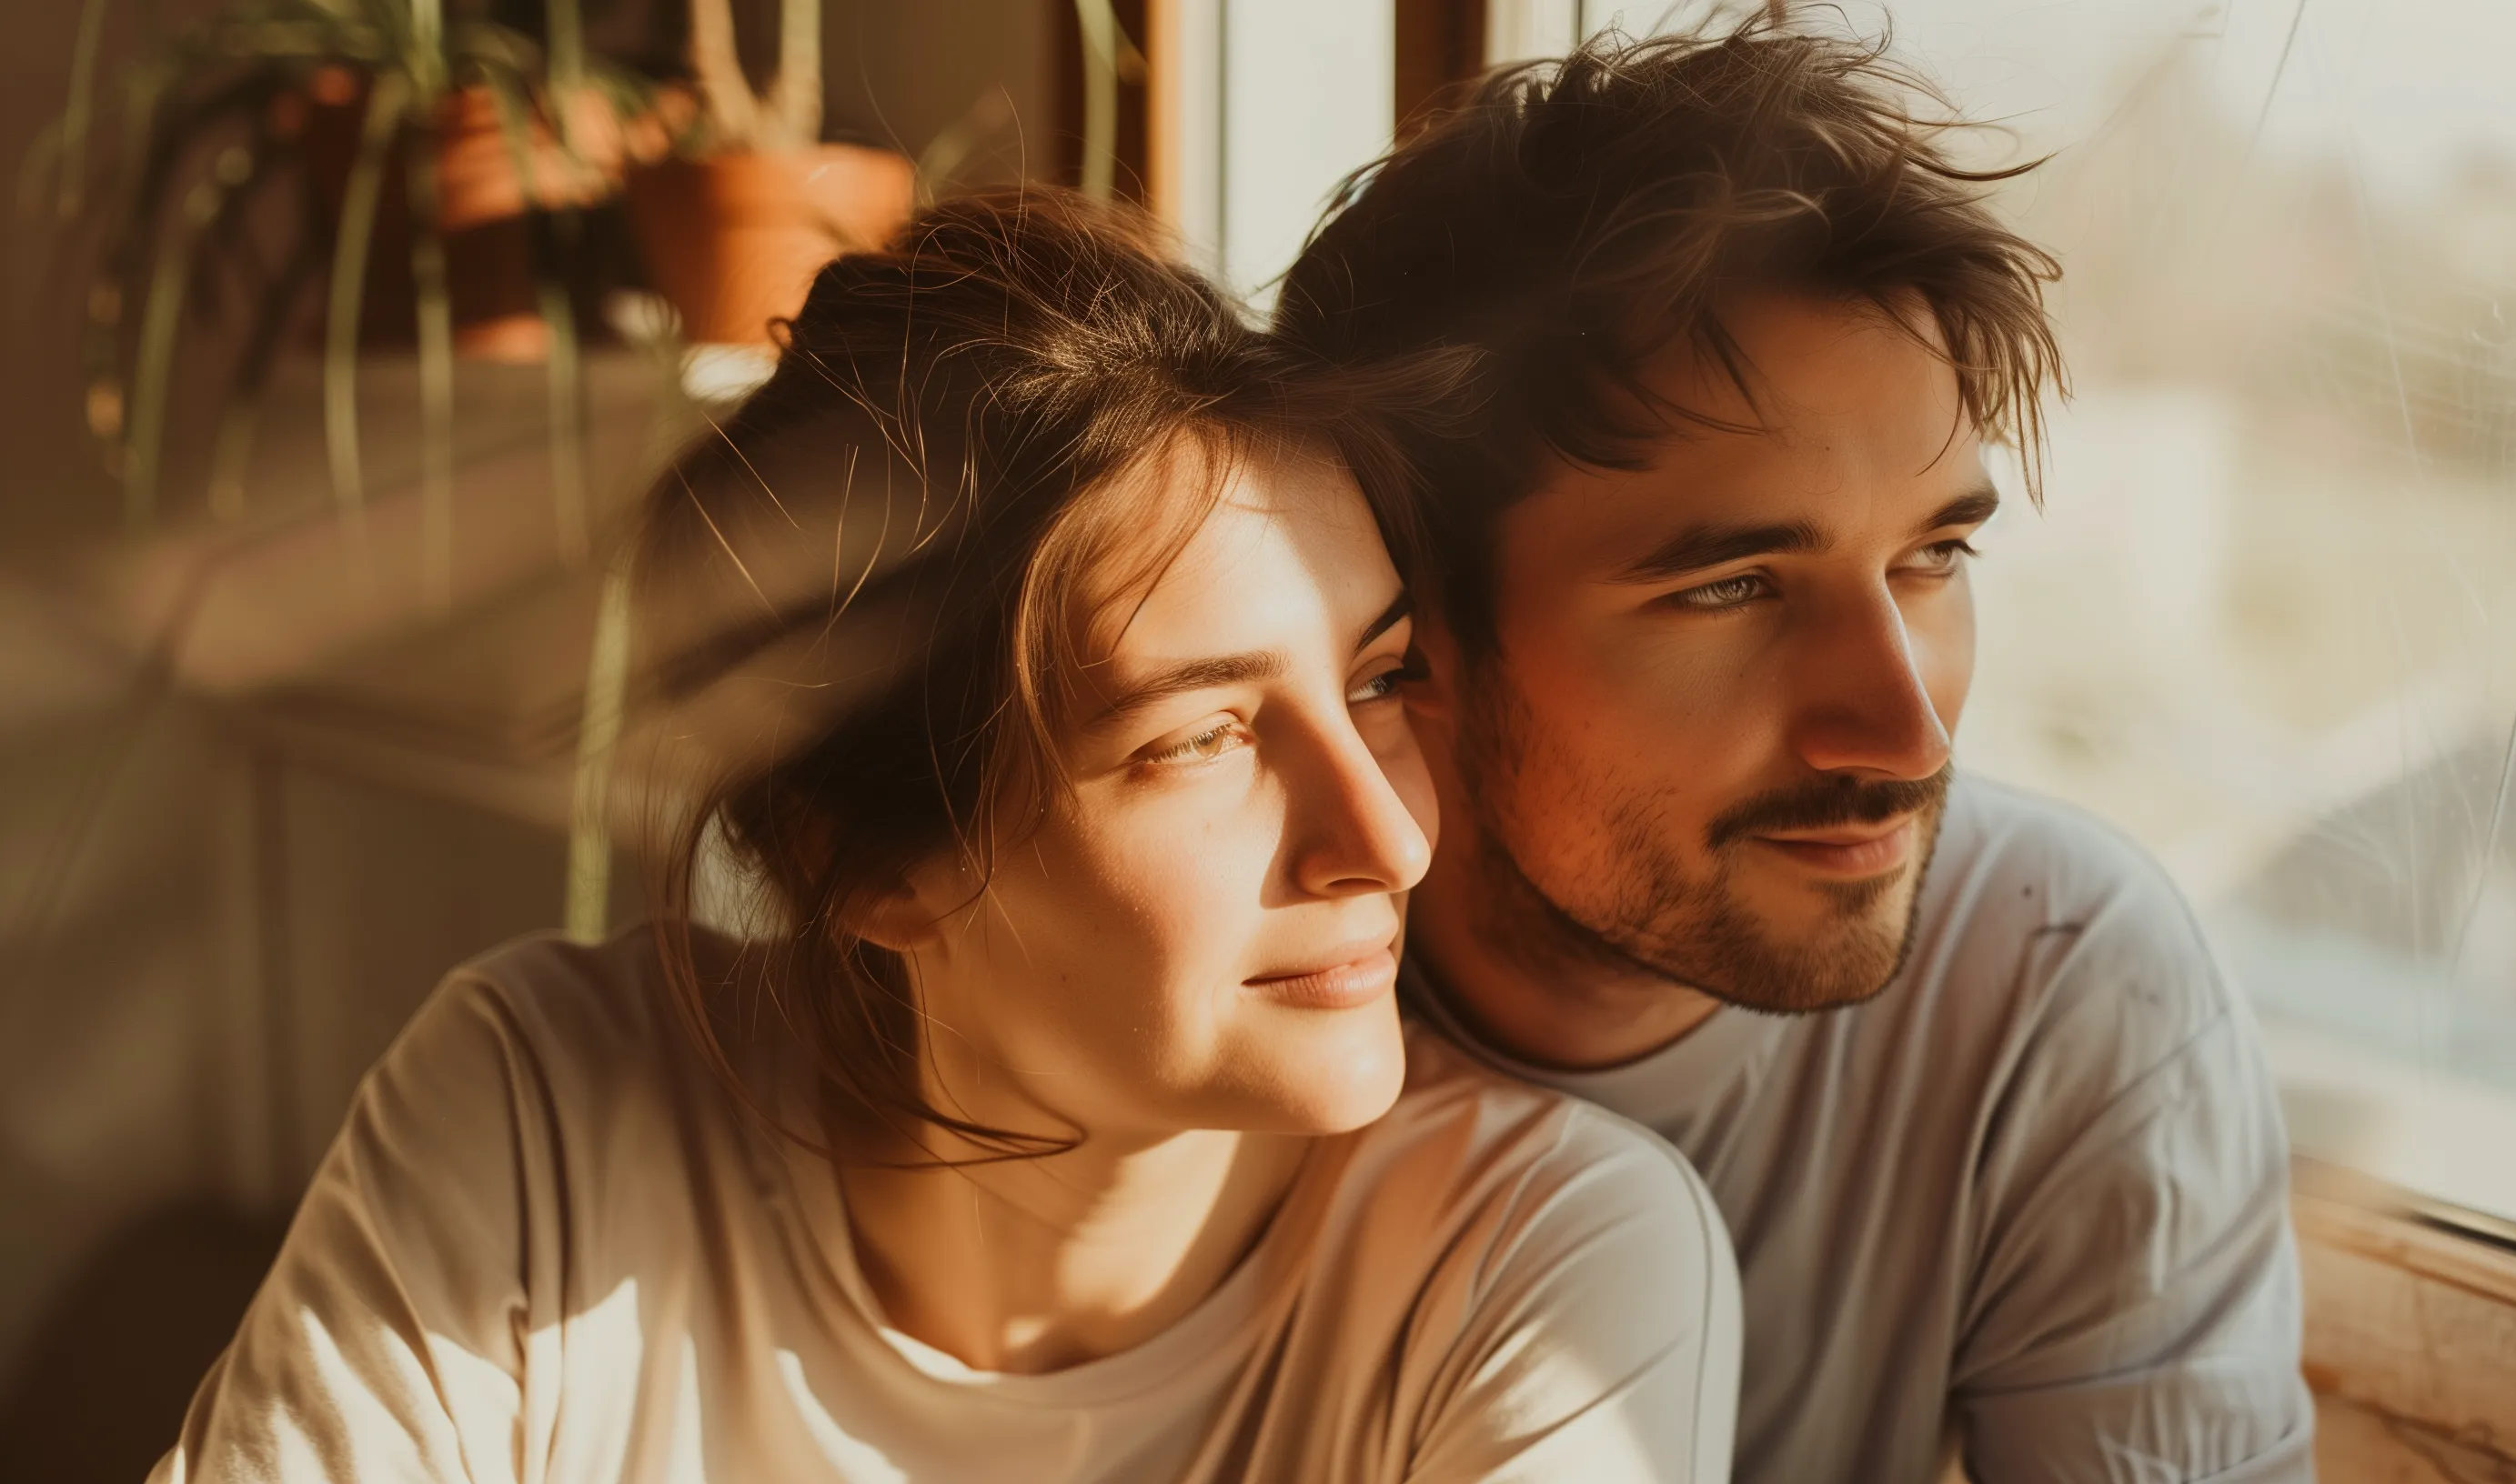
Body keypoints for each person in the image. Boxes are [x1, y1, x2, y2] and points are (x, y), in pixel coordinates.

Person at [154, 188, 1738, 1483]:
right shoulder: (546, 1116)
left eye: (1379, 678)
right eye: (1201, 736)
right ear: (861, 859)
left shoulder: (1545, 1270)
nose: (1386, 835)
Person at [1278, 16, 2314, 1484]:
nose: (1905, 728)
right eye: (1732, 586)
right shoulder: (1222, 999)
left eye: (1933, 559)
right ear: (1410, 635)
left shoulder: (2053, 975)